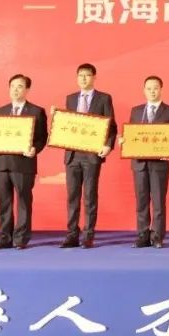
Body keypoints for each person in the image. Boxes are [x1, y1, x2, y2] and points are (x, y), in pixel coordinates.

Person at [59, 63, 117, 249]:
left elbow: (111, 126)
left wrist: (108, 145)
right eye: (80, 75)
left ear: (94, 77)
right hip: (72, 154)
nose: (84, 78)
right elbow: (67, 126)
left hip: (92, 155)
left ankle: (88, 235)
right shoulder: (70, 98)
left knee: (90, 196)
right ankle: (71, 235)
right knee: (72, 197)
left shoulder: (104, 98)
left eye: (87, 75)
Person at [0, 74, 48, 250]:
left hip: (23, 164)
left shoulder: (36, 111)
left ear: (27, 89)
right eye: (12, 86)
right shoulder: (0, 111)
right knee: (3, 203)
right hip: (1, 164)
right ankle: (4, 238)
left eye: (20, 86)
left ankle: (21, 238)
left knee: (23, 201)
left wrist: (35, 149)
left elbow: (42, 137)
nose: (15, 89)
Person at [123, 76, 169, 249]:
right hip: (139, 163)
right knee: (141, 201)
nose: (152, 91)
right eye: (149, 88)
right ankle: (142, 235)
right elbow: (132, 135)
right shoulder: (136, 111)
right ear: (144, 90)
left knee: (158, 201)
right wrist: (124, 141)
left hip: (159, 164)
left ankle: (158, 236)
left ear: (161, 89)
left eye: (155, 88)